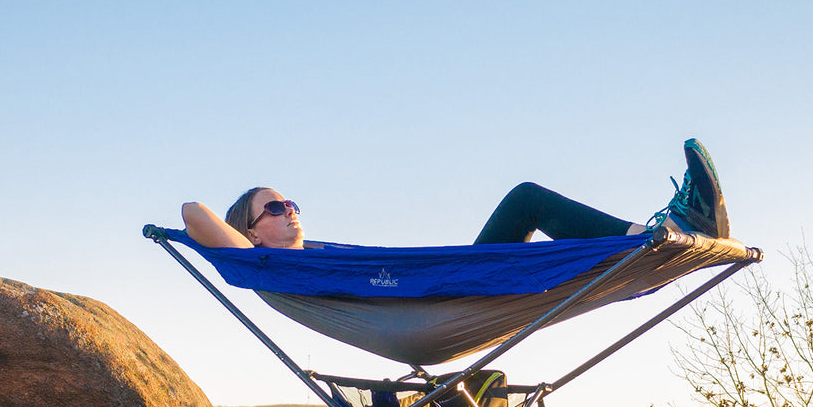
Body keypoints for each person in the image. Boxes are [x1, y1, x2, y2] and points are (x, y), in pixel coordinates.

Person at [181, 139, 729, 250]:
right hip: (440, 297)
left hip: (445, 285)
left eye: (292, 203)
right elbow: (191, 212)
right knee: (526, 199)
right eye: (274, 209)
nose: (290, 211)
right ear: (250, 230)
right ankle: (664, 234)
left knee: (543, 227)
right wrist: (238, 243)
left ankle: (659, 234)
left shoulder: (311, 252)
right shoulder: (266, 263)